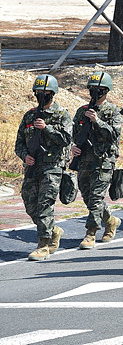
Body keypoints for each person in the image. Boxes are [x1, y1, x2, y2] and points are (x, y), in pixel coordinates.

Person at [16, 74, 73, 261]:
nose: (42, 95)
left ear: (53, 93)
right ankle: (53, 230)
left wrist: (46, 128)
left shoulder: (61, 114)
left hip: (52, 168)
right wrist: (25, 156)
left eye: (45, 92)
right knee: (30, 204)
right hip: (33, 168)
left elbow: (66, 139)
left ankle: (43, 244)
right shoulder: (30, 115)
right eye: (38, 92)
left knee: (44, 206)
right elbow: (19, 143)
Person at [70, 72, 123, 250]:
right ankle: (110, 220)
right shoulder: (81, 111)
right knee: (87, 197)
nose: (95, 92)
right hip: (85, 161)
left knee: (96, 198)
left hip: (104, 161)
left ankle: (90, 233)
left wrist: (97, 121)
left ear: (106, 91)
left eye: (99, 90)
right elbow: (72, 134)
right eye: (92, 89)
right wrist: (72, 147)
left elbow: (114, 134)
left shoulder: (112, 111)